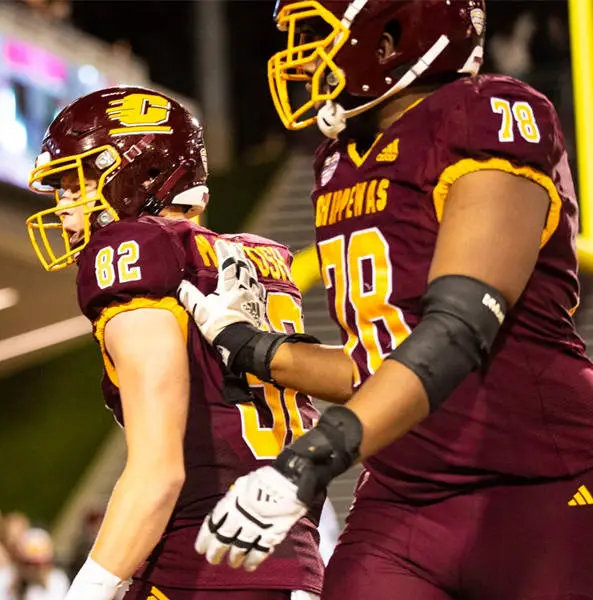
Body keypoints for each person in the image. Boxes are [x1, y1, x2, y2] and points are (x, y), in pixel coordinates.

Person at [179, 1, 593, 598]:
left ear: (393, 35)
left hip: (538, 485)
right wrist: (257, 349)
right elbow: (377, 363)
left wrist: (311, 459)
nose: (302, 57)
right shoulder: (338, 161)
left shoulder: (487, 114)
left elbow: (456, 330)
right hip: (404, 500)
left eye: (320, 34)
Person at [25, 85, 324, 600]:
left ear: (134, 175)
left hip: (202, 569)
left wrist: (87, 591)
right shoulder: (262, 257)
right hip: (294, 562)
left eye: (76, 185)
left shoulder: (132, 252)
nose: (64, 208)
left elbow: (159, 474)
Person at [0, 528, 69, 600]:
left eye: (40, 564)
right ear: (17, 560)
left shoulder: (57, 581)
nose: (33, 570)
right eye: (28, 563)